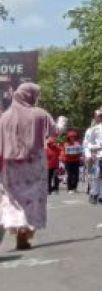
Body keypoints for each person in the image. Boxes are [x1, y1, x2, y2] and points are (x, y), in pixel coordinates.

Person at [0, 84, 56, 250]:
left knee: (14, 199)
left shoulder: (4, 117)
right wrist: (62, 122)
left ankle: (18, 232)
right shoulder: (39, 114)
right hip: (34, 164)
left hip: (11, 166)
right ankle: (25, 234)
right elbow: (55, 131)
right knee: (32, 198)